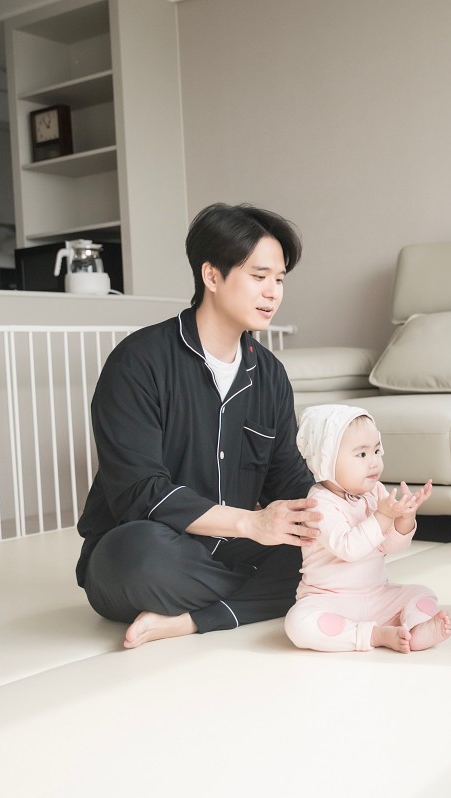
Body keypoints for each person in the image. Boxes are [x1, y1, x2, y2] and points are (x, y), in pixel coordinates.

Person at [76, 203, 323, 649]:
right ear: (211, 276)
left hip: (233, 548)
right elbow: (140, 492)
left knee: (325, 552)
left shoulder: (269, 374)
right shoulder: (138, 362)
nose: (273, 293)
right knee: (137, 558)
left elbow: (288, 477)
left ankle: (190, 620)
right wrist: (251, 523)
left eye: (280, 279)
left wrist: (352, 514)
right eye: (259, 276)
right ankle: (266, 596)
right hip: (153, 546)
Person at [284, 404, 451, 653]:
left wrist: (405, 517)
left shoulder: (375, 492)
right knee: (298, 623)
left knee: (422, 593)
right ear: (326, 460)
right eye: (362, 454)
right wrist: (383, 516)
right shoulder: (319, 502)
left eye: (376, 451)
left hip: (377, 595)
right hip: (330, 600)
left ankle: (416, 628)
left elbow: (391, 546)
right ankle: (372, 635)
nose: (374, 462)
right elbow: (348, 548)